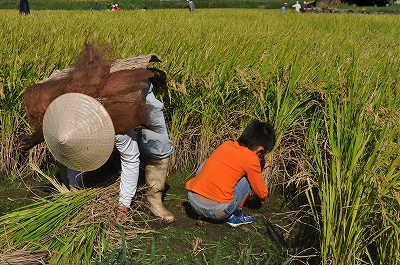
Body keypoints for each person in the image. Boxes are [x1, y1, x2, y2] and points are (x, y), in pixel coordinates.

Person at [67, 81, 175, 224]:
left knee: (158, 140)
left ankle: (154, 199)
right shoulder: (70, 118)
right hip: (88, 92)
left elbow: (131, 159)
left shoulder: (118, 129)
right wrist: (74, 184)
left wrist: (124, 205)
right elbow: (69, 148)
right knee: (70, 144)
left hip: (137, 85)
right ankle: (75, 186)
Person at [185, 121, 276, 227]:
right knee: (248, 178)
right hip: (217, 213)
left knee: (208, 162)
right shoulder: (251, 159)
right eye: (264, 153)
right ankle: (236, 215)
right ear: (260, 149)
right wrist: (259, 168)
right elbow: (262, 195)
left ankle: (202, 206)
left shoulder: (226, 145)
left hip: (192, 203)